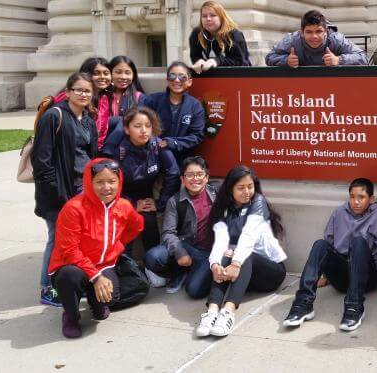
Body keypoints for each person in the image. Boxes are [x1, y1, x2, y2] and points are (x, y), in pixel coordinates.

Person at [283, 178, 377, 331]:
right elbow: (329, 244)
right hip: (343, 277)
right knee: (320, 244)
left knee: (358, 241)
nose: (356, 202)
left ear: (371, 199)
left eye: (361, 197)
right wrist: (327, 276)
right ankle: (303, 304)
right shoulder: (339, 212)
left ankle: (354, 307)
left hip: (367, 277)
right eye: (352, 197)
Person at [49, 159, 144, 338]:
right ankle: (70, 316)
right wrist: (96, 277)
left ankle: (96, 303)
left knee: (110, 298)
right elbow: (68, 250)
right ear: (89, 183)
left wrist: (116, 246)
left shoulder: (123, 206)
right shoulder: (73, 209)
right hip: (72, 266)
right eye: (99, 182)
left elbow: (137, 226)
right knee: (70, 277)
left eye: (111, 181)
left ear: (119, 182)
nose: (106, 187)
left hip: (103, 265)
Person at [196, 166, 287, 337]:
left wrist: (236, 263)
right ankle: (212, 311)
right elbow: (221, 241)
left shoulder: (258, 202)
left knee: (243, 254)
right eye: (241, 188)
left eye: (250, 186)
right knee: (226, 253)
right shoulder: (223, 209)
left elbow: (248, 238)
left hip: (270, 272)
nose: (247, 192)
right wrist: (215, 264)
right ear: (230, 189)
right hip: (244, 274)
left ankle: (228, 312)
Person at [32, 72, 98, 307]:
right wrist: (59, 196)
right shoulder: (54, 116)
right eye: (78, 89)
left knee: (74, 241)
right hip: (59, 192)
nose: (83, 94)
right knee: (57, 239)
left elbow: (90, 156)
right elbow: (42, 161)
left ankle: (69, 283)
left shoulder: (88, 119)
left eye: (87, 91)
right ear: (68, 91)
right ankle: (46, 287)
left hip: (82, 191)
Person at [109, 107, 180, 254]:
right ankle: (124, 266)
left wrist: (160, 202)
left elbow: (173, 173)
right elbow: (108, 186)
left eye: (148, 126)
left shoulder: (157, 146)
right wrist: (132, 205)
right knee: (125, 232)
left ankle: (152, 268)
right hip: (121, 199)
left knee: (149, 223)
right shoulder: (117, 150)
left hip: (146, 196)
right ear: (127, 130)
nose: (144, 130)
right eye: (137, 126)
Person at [143, 156, 217, 297]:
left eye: (199, 174)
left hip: (208, 253)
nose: (195, 178)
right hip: (186, 246)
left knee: (195, 291)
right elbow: (168, 232)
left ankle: (193, 271)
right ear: (182, 179)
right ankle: (178, 271)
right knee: (152, 257)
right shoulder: (175, 201)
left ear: (206, 177)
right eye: (189, 175)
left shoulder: (217, 194)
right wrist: (180, 252)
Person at [140, 62, 205, 164]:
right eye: (172, 76)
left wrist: (171, 143)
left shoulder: (195, 106)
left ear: (189, 82)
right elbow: (140, 124)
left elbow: (197, 136)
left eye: (182, 77)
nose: (177, 80)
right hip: (153, 158)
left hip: (182, 161)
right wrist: (155, 141)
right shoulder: (152, 100)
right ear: (167, 80)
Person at [265, 10, 368, 67]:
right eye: (309, 32)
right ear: (301, 32)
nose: (314, 36)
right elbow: (269, 57)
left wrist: (338, 60)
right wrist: (286, 61)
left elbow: (363, 58)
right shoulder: (292, 40)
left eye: (318, 31)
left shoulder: (336, 39)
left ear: (326, 31)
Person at [53, 57, 113, 150]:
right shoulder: (70, 96)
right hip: (67, 150)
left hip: (92, 149)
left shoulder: (103, 98)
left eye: (106, 73)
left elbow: (102, 130)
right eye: (96, 73)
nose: (102, 77)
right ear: (86, 75)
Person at [189, 0, 251, 72]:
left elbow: (239, 61)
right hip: (211, 75)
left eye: (213, 15)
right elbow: (195, 57)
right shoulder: (197, 34)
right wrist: (200, 62)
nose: (208, 19)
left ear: (221, 17)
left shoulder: (234, 34)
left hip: (239, 75)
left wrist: (216, 61)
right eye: (204, 16)